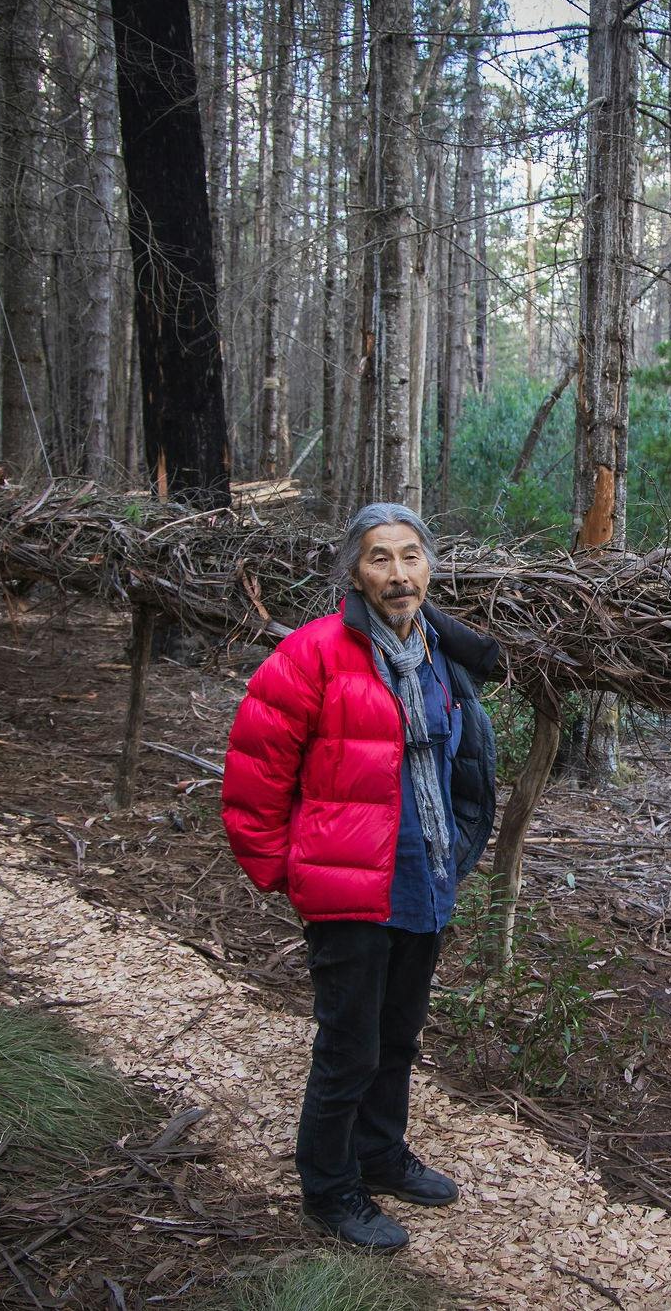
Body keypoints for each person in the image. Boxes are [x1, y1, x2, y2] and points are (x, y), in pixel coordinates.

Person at [221, 502, 499, 1251]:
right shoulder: (312, 655)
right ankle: (330, 1187)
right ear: (355, 570)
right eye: (381, 557)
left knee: (399, 1036)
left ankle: (380, 1154)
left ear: (430, 567)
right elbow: (254, 777)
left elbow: (461, 762)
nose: (399, 573)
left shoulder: (441, 654)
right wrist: (293, 874)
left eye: (411, 556)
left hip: (424, 881)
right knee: (349, 1046)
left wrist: (462, 845)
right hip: (348, 890)